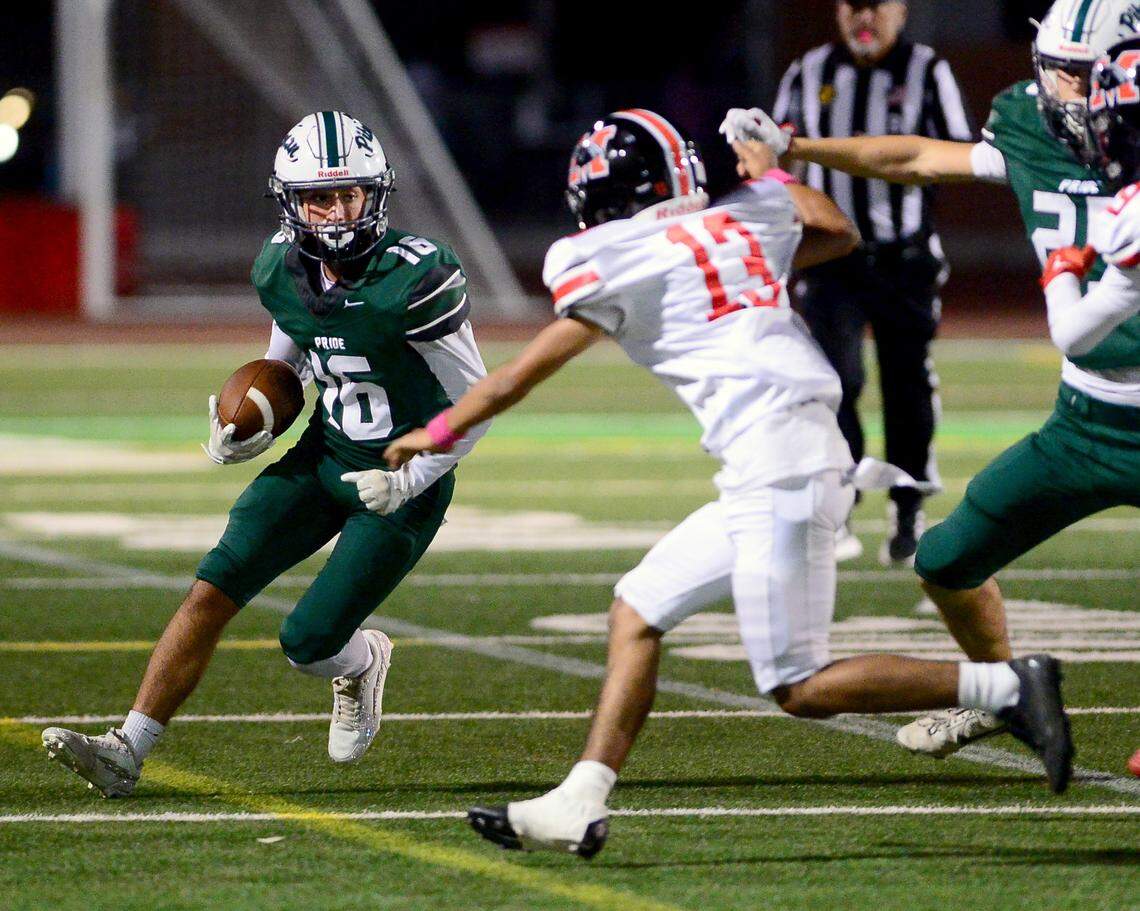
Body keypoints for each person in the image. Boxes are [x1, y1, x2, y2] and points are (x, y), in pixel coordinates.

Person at [383, 108, 1075, 858]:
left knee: (799, 684)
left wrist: (439, 431)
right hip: (779, 457)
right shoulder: (741, 221)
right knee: (637, 608)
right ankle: (579, 799)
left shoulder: (617, 256)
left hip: (782, 463)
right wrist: (772, 169)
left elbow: (525, 370)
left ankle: (1005, 687)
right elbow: (837, 229)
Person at [722, 0, 1140, 759]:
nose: (1057, 94)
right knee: (945, 561)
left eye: (1075, 79)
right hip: (1085, 418)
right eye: (1051, 73)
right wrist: (795, 144)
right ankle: (1000, 689)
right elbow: (915, 158)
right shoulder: (1028, 123)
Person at [41, 111, 490, 796]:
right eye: (319, 197)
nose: (336, 213)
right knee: (213, 585)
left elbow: (479, 399)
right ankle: (126, 749)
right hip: (324, 451)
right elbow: (294, 352)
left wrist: (415, 475)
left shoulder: (417, 276)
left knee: (306, 641)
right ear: (291, 202)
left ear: (377, 194)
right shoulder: (282, 265)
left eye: (349, 195)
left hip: (403, 480)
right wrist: (252, 423)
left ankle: (362, 660)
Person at [767, 0, 974, 565]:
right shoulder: (807, 72)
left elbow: (959, 153)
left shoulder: (928, 70)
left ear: (901, 11)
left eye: (876, 6)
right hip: (832, 258)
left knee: (906, 386)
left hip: (904, 258)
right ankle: (840, 503)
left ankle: (908, 508)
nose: (865, 17)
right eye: (853, 5)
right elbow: (775, 162)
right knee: (835, 380)